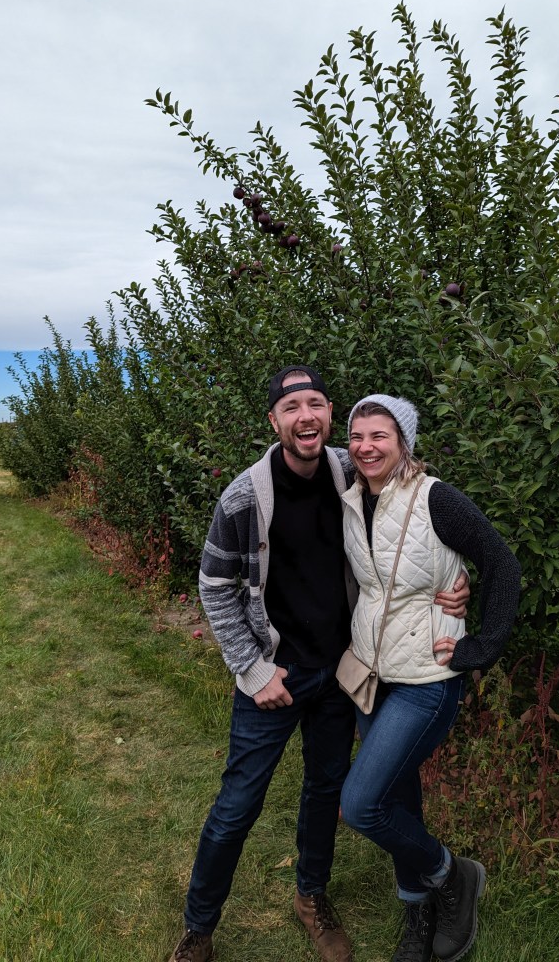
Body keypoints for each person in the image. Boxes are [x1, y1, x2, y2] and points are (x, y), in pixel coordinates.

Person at [170, 367, 471, 962]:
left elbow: (418, 529)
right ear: (275, 422)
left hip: (340, 672)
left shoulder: (349, 471)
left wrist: (457, 582)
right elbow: (214, 585)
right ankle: (198, 931)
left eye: (315, 404)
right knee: (237, 805)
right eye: (291, 408)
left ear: (330, 411)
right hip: (274, 674)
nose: (305, 417)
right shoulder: (244, 496)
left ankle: (312, 897)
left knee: (323, 790)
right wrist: (253, 670)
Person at [338, 395, 521, 962]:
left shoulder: (434, 497)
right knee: (396, 795)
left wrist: (482, 646)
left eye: (380, 436)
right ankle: (417, 909)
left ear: (404, 443)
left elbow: (503, 563)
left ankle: (452, 875)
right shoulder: (349, 498)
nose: (366, 446)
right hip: (372, 672)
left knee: (361, 804)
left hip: (427, 678)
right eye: (358, 436)